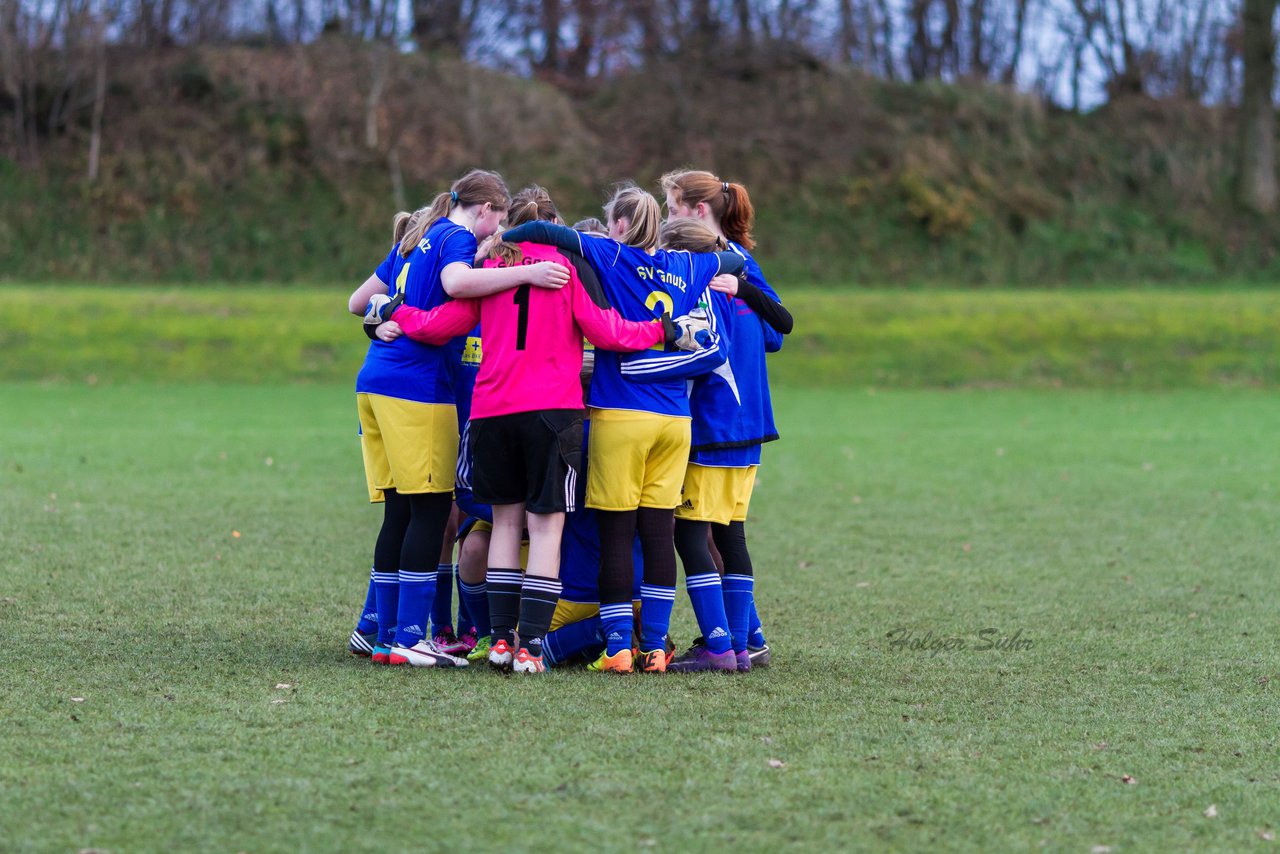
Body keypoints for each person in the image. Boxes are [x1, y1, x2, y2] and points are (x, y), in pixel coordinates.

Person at [372, 185, 709, 673]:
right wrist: (664, 330)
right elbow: (606, 332)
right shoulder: (566, 270)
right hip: (553, 411)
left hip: (491, 410)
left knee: (505, 524)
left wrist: (393, 313)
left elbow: (448, 320)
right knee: (545, 529)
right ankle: (531, 646)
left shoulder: (488, 270)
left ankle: (502, 639)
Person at [499, 184, 746, 674]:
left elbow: (542, 231)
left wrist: (507, 235)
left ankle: (616, 648)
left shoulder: (609, 254)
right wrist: (722, 267)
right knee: (658, 535)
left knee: (616, 533)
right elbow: (734, 264)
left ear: (616, 224)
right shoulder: (685, 265)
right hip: (675, 421)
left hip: (620, 414)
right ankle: (654, 647)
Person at [354, 169, 570, 669]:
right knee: (431, 512)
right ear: (486, 212)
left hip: (376, 382)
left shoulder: (419, 233)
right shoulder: (455, 239)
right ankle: (409, 636)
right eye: (492, 224)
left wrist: (389, 312)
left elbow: (356, 302)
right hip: (419, 389)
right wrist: (523, 274)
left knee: (401, 511)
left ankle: (383, 634)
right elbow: (453, 291)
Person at [659, 170, 793, 670]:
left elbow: (776, 325)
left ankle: (723, 643)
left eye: (671, 206)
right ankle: (745, 637)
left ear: (696, 210)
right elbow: (772, 336)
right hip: (751, 424)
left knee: (695, 532)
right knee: (726, 532)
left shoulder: (702, 272)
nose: (666, 216)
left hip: (713, 422)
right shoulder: (741, 266)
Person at [344, 209, 417, 659]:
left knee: (402, 513)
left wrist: (380, 313)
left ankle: (374, 624)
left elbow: (358, 304)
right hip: (411, 400)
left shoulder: (403, 257)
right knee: (420, 514)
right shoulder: (433, 261)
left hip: (378, 392)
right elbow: (360, 305)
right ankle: (393, 630)